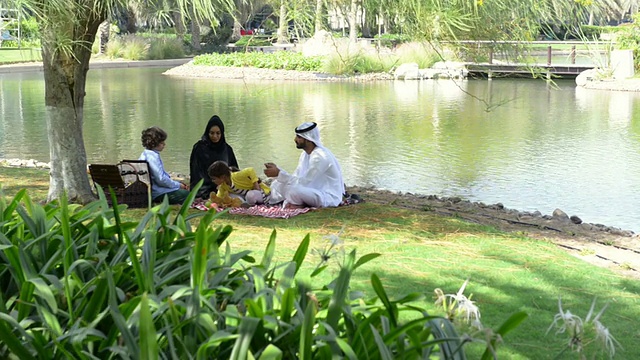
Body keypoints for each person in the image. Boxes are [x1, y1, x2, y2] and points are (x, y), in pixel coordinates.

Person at [263, 122, 344, 208]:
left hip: (326, 196)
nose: (295, 139)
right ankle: (296, 203)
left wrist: (279, 173)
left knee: (294, 190)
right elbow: (296, 176)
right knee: (276, 184)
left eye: (299, 137)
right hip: (309, 190)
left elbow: (304, 182)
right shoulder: (305, 154)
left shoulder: (320, 157)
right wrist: (278, 173)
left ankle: (298, 204)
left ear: (308, 139)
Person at [189, 115, 239, 199]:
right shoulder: (199, 148)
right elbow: (195, 173)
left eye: (218, 133)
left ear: (222, 133)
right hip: (204, 188)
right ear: (207, 133)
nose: (215, 136)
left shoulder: (227, 149)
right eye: (212, 133)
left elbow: (234, 171)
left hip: (223, 186)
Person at [139, 126, 189, 204]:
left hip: (154, 190)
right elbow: (161, 179)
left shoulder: (145, 154)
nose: (164, 144)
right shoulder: (153, 157)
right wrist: (178, 185)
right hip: (158, 193)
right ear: (154, 143)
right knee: (188, 194)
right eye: (162, 142)